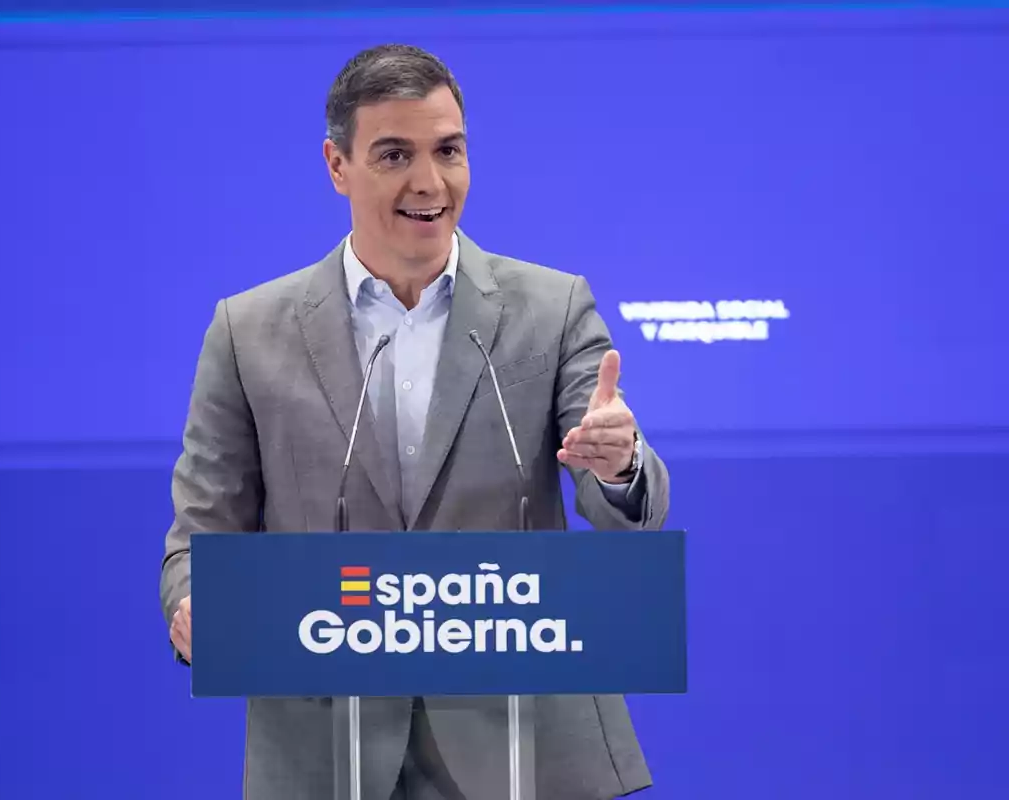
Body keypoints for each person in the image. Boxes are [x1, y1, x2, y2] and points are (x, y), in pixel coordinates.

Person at [160, 43, 671, 800]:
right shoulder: (248, 331)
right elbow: (201, 537)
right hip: (327, 750)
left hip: (529, 747)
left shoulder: (553, 307)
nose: (429, 183)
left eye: (449, 151)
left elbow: (624, 511)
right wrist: (192, 605)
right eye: (394, 154)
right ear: (338, 166)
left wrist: (617, 464)